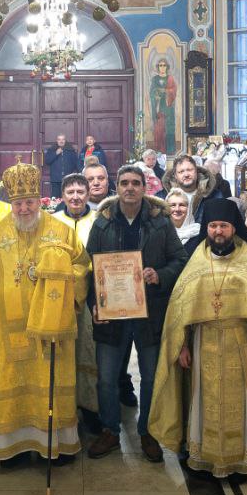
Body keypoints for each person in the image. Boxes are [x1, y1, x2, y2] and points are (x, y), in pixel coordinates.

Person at [0, 162, 89, 466]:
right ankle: (11, 448)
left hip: (51, 329)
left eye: (30, 202)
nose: (24, 209)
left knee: (51, 385)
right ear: (11, 203)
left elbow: (83, 267)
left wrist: (66, 290)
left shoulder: (62, 232)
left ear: (39, 200)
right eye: (18, 203)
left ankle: (54, 444)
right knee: (11, 388)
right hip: (6, 331)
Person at [149, 198, 247, 479]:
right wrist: (183, 345)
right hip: (203, 342)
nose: (218, 232)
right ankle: (204, 456)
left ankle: (242, 458)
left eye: (224, 225)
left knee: (244, 403)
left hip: (242, 342)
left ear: (234, 228)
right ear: (207, 228)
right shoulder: (196, 259)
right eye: (213, 226)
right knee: (203, 400)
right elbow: (181, 307)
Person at [85, 166, 187, 462]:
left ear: (145, 187)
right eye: (124, 183)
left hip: (149, 313)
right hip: (112, 313)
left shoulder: (160, 223)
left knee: (152, 376)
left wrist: (160, 274)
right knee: (106, 378)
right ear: (116, 187)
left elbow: (179, 260)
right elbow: (91, 269)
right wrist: (95, 302)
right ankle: (109, 431)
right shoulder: (102, 224)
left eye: (135, 183)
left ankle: (148, 432)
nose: (129, 188)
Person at [53, 172, 100, 431]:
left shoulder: (98, 221)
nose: (75, 197)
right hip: (60, 300)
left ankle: (90, 409)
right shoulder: (51, 222)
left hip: (91, 298)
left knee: (88, 352)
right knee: (62, 354)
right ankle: (64, 409)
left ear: (88, 194)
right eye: (70, 192)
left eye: (80, 192)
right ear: (63, 196)